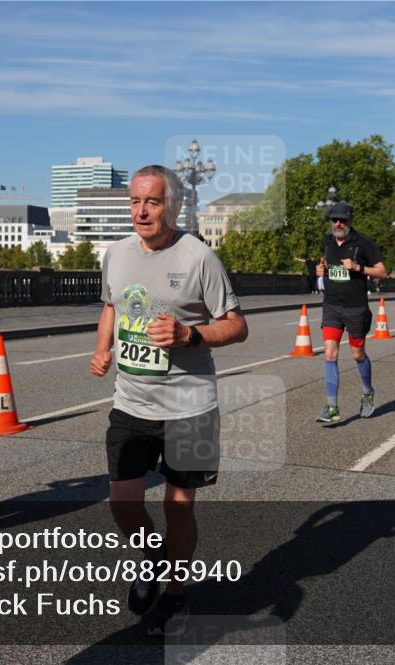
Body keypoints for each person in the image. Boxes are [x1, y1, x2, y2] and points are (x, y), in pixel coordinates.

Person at [90, 165, 248, 636]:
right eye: (135, 202)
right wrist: (103, 348)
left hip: (189, 407)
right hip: (131, 404)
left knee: (180, 507)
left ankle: (176, 594)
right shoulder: (115, 254)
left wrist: (189, 334)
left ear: (172, 206)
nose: (141, 211)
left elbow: (237, 326)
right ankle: (155, 560)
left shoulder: (199, 257)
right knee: (123, 504)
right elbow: (111, 307)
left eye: (152, 202)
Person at [313, 201, 388, 422]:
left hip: (356, 308)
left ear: (350, 220)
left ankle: (367, 392)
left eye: (342, 220)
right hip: (332, 306)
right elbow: (326, 263)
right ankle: (332, 406)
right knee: (329, 353)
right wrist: (321, 269)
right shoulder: (327, 241)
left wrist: (358, 268)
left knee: (357, 354)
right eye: (334, 220)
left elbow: (383, 272)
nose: (338, 224)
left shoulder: (363, 243)